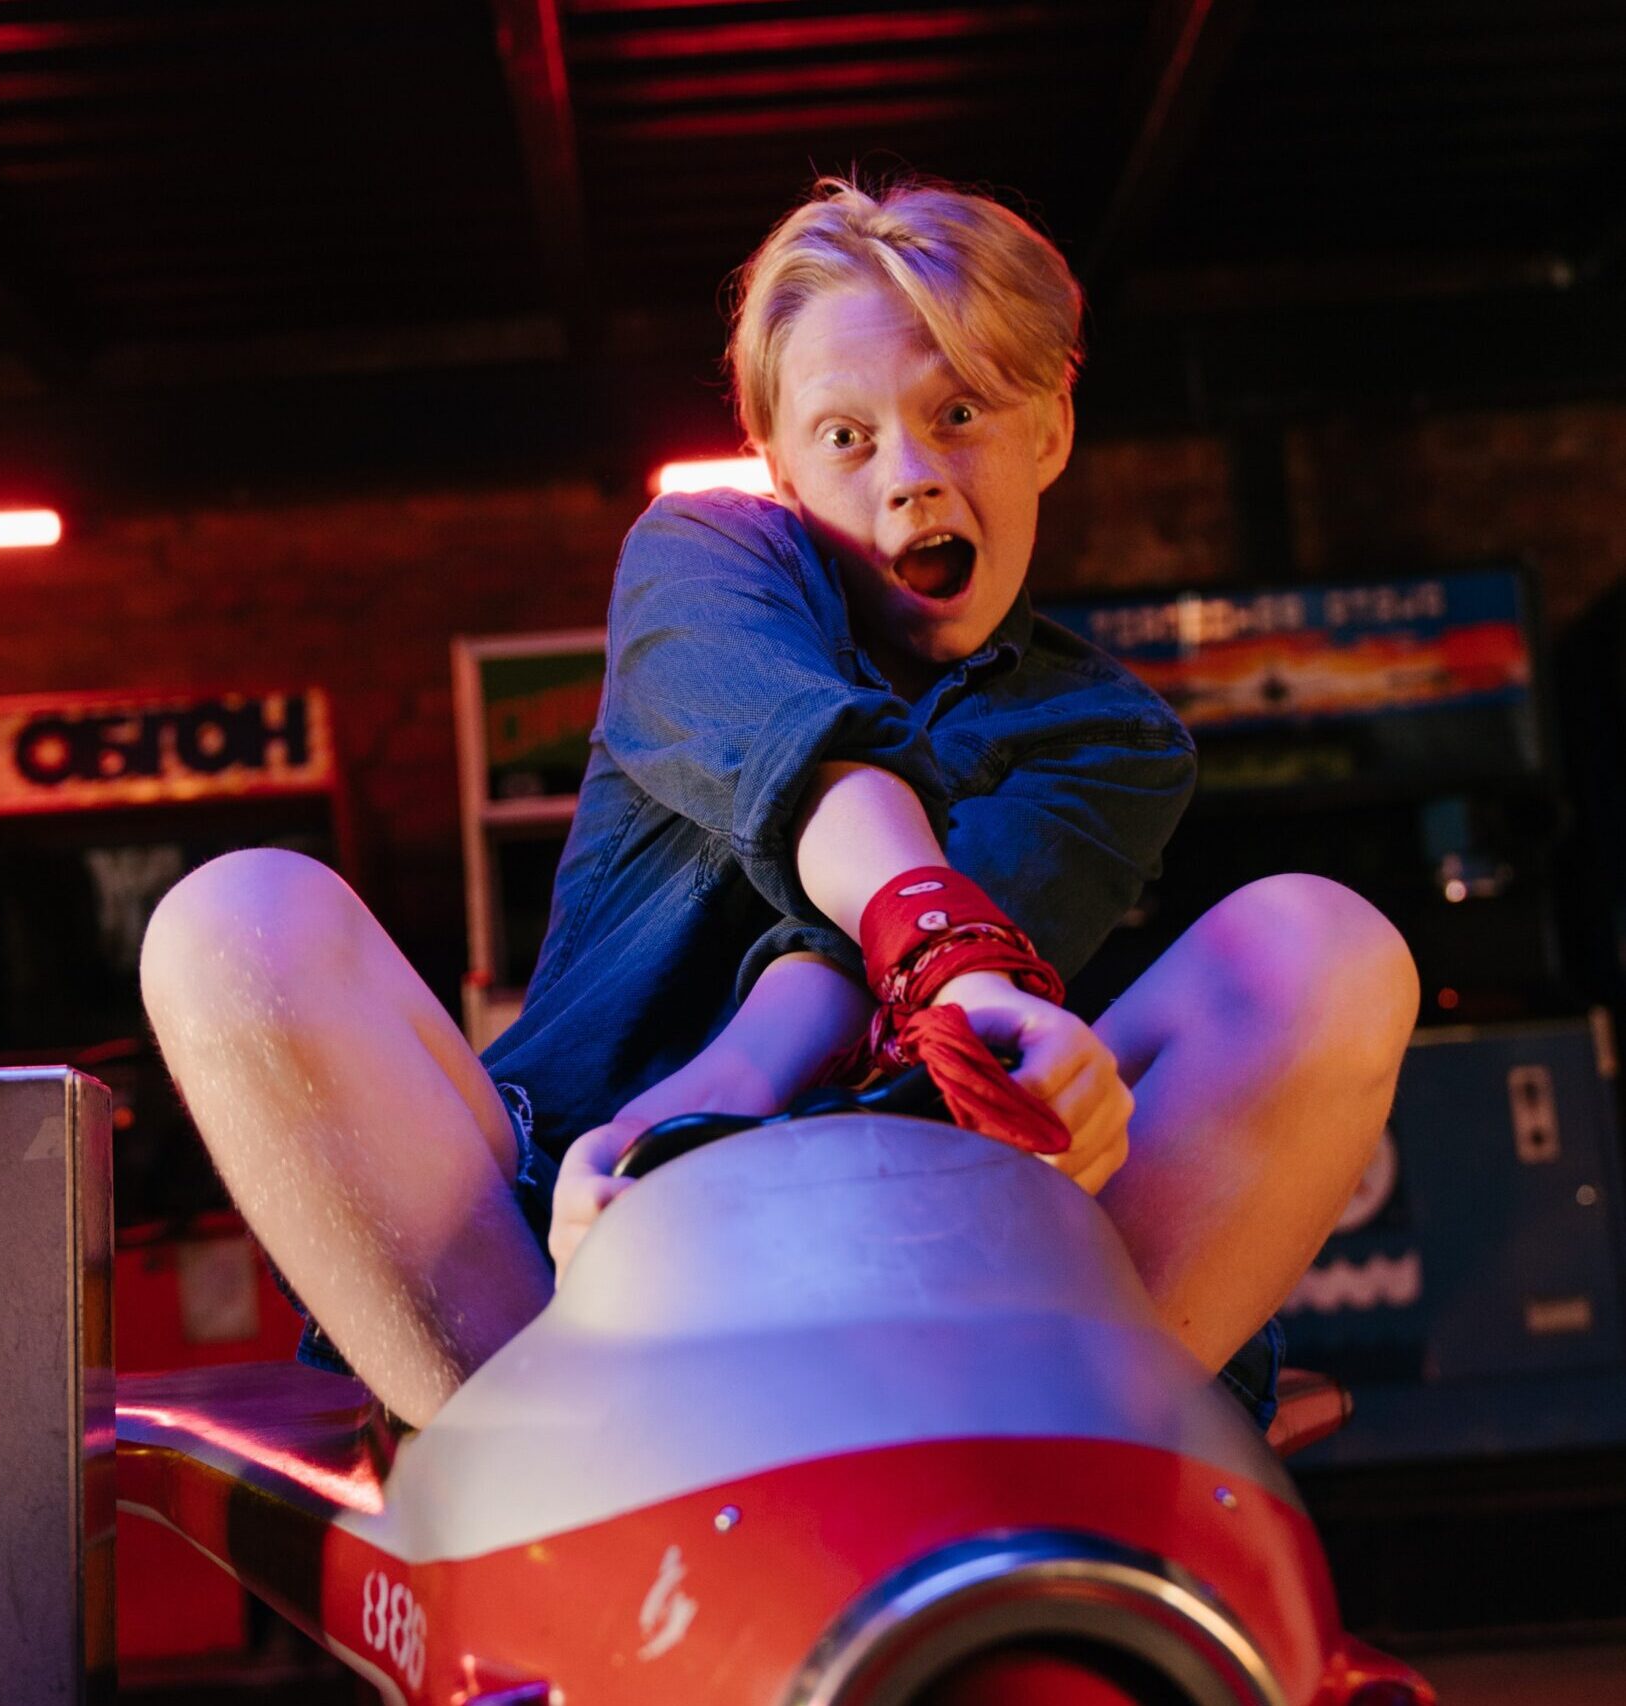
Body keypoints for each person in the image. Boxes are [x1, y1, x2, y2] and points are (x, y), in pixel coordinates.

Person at [140, 175, 1419, 1430]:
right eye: (847, 436)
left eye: (959, 409)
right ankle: (520, 1456)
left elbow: (845, 965)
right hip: (560, 1239)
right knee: (231, 915)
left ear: (1049, 427)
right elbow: (817, 780)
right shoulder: (703, 557)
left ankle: (1092, 1451)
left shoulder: (1112, 737)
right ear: (777, 467)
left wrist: (753, 1095)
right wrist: (673, 1128)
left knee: (1326, 945)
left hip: (918, 1237)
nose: (910, 477)